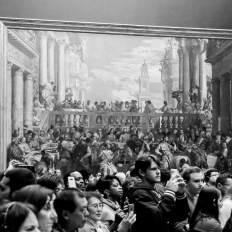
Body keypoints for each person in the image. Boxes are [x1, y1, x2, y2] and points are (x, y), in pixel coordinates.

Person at [129, 155, 188, 232]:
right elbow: (158, 219)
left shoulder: (159, 189)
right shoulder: (138, 194)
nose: (158, 172)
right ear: (142, 172)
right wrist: (169, 192)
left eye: (158, 168)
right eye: (153, 169)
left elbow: (179, 216)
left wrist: (180, 194)